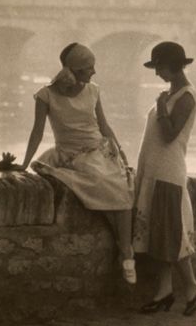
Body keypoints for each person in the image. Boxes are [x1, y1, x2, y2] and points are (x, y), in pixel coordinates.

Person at [11, 42, 137, 284]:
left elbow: (104, 125)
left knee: (121, 187)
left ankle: (125, 249)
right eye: (89, 67)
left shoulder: (93, 90)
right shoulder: (45, 95)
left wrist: (120, 152)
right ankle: (126, 251)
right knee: (111, 187)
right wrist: (24, 163)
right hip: (71, 155)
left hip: (99, 151)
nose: (94, 72)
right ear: (75, 69)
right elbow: (37, 132)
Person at [132, 41, 196, 316]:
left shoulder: (186, 96)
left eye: (159, 67)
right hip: (154, 171)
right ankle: (165, 292)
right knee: (158, 234)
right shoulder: (171, 93)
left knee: (170, 234)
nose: (157, 73)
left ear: (173, 67)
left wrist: (162, 106)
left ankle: (193, 288)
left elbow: (170, 134)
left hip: (168, 172)